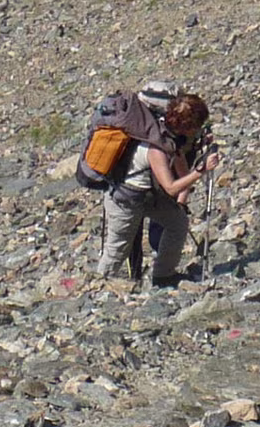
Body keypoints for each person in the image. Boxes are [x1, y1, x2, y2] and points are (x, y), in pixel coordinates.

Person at [94, 84, 221, 285]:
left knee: (177, 223)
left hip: (148, 195)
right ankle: (99, 284)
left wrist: (189, 185)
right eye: (196, 126)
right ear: (186, 126)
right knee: (117, 249)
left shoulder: (170, 138)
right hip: (126, 199)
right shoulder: (157, 146)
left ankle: (163, 276)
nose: (198, 131)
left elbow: (182, 173)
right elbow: (171, 187)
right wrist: (201, 171)